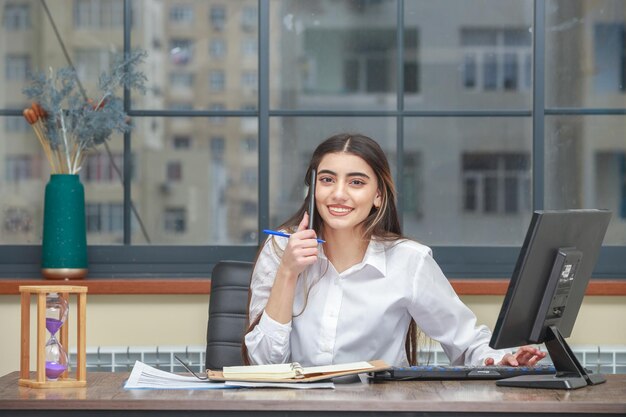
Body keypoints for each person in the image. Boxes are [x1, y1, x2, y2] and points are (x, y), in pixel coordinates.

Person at [243, 133, 546, 368]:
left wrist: (502, 360)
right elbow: (265, 365)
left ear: (377, 195)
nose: (338, 194)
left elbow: (466, 343)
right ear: (313, 189)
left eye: (356, 182)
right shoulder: (280, 249)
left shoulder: (409, 261)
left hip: (379, 409)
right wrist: (287, 272)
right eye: (327, 180)